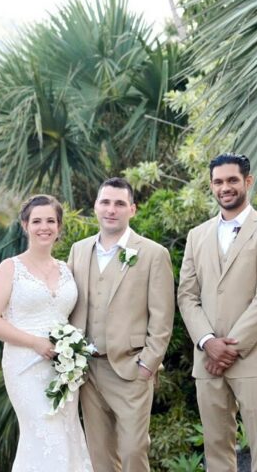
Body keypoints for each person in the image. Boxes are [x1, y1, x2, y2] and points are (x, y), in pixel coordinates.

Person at [178, 153, 257, 472]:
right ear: (211, 185)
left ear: (247, 182)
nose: (225, 187)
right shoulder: (197, 236)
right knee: (216, 447)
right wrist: (207, 341)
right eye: (218, 182)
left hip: (251, 358)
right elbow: (186, 295)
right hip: (206, 357)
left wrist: (230, 348)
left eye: (231, 180)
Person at [68, 177, 175, 472]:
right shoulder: (79, 250)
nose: (111, 210)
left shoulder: (153, 254)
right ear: (95, 207)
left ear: (132, 209)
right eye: (105, 202)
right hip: (89, 371)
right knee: (99, 455)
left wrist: (147, 365)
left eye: (119, 203)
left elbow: (163, 318)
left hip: (130, 370)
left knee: (133, 451)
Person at [0, 194, 92, 471]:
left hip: (64, 367)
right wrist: (35, 342)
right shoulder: (11, 268)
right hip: (25, 365)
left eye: (51, 221)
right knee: (43, 431)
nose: (44, 227)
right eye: (37, 221)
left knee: (68, 434)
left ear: (59, 226)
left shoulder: (67, 269)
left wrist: (74, 351)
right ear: (25, 225)